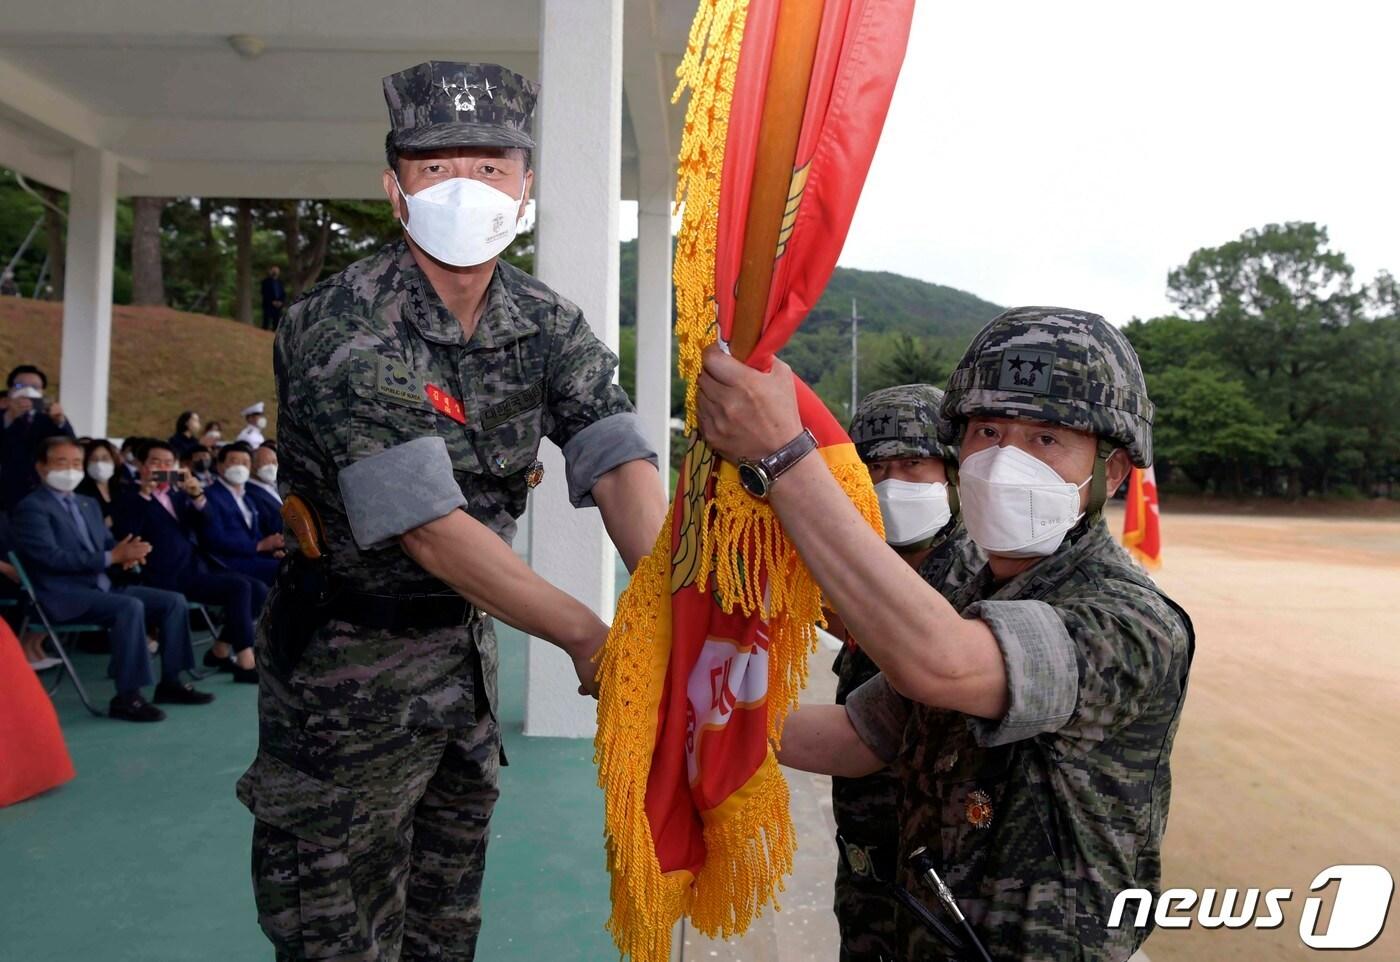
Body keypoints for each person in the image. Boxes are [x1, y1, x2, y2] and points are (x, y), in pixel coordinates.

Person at [236, 61, 668, 962]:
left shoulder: (546, 323)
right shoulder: (344, 322)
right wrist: (595, 637)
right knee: (338, 936)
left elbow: (616, 454)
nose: (465, 188)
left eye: (490, 165)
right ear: (394, 189)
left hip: (459, 672)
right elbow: (427, 524)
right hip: (344, 683)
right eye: (436, 169)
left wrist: (668, 604)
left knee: (444, 928)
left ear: (526, 186)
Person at [695, 307, 1194, 962]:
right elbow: (861, 736)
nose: (1006, 460)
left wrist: (784, 458)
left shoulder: (1129, 621)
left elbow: (944, 664)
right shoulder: (976, 595)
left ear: (1113, 470)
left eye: (1047, 439)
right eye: (988, 431)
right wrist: (699, 718)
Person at [828, 385, 983, 962]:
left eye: (913, 463)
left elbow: (868, 737)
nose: (894, 482)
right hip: (871, 875)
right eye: (877, 467)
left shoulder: (973, 587)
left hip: (941, 891)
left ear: (950, 473)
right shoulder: (869, 573)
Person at [11, 437, 215, 721]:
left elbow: (108, 542)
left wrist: (129, 553)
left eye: (75, 463)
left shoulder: (87, 504)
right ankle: (128, 697)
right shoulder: (32, 508)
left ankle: (172, 681)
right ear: (41, 467)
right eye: (61, 462)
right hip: (61, 595)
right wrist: (111, 558)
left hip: (102, 587)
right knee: (128, 606)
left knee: (173, 602)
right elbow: (50, 558)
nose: (70, 469)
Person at [112, 439, 264, 683]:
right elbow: (126, 532)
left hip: (195, 568)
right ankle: (246, 660)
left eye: (168, 463)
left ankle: (220, 650)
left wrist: (197, 496)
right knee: (240, 587)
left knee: (257, 589)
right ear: (141, 465)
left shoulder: (177, 493)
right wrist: (144, 494)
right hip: (162, 574)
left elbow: (207, 527)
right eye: (155, 462)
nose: (162, 467)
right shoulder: (129, 497)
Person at [200, 441, 283, 585]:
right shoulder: (210, 495)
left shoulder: (246, 498)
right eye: (234, 462)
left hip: (253, 556)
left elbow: (255, 535)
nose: (240, 467)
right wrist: (260, 546)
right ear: (219, 466)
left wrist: (271, 550)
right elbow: (215, 538)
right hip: (228, 561)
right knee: (287, 571)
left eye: (245, 463)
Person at [2, 365, 75, 511]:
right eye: (20, 385)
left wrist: (60, 421)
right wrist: (10, 419)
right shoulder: (3, 417)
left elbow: (71, 447)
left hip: (42, 494)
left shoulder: (49, 420)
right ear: (10, 391)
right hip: (5, 497)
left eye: (35, 387)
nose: (28, 391)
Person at [75, 438, 126, 527]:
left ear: (114, 461)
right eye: (94, 459)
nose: (99, 463)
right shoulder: (80, 492)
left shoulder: (122, 489)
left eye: (105, 458)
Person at [248, 441, 282, 506]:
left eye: (274, 462)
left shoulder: (272, 486)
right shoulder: (249, 492)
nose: (272, 466)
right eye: (266, 462)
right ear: (252, 464)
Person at [260, 265, 287, 331]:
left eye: (276, 271)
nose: (275, 272)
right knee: (266, 320)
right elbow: (264, 293)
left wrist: (281, 302)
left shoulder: (280, 282)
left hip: (278, 305)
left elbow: (283, 293)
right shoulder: (266, 281)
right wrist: (272, 301)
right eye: (274, 271)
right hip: (268, 304)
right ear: (271, 272)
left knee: (276, 321)